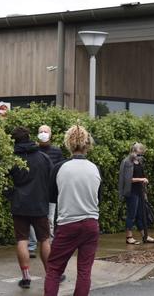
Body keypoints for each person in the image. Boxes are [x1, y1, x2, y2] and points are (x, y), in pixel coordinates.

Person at [44, 125, 101, 296]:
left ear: (68, 143)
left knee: (54, 269)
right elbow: (99, 197)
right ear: (87, 144)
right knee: (84, 271)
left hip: (68, 224)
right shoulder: (95, 168)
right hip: (91, 223)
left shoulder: (59, 168)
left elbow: (52, 197)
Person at [8, 127, 53, 289]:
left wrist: (11, 195)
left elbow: (4, 183)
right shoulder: (43, 157)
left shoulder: (11, 159)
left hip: (19, 205)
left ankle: (26, 277)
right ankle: (51, 275)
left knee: (22, 240)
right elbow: (52, 179)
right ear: (29, 138)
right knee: (45, 239)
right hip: (40, 205)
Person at [28, 125, 65, 258]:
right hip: (35, 191)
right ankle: (32, 246)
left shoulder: (57, 151)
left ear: (51, 134)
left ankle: (50, 244)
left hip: (50, 191)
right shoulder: (33, 150)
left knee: (49, 219)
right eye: (41, 132)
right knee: (31, 218)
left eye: (46, 131)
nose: (43, 133)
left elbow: (61, 169)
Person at [119, 143, 154, 245]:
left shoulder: (139, 162)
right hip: (131, 192)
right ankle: (129, 237)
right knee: (131, 215)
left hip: (140, 191)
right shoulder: (127, 162)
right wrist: (142, 179)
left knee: (141, 215)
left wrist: (144, 192)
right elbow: (128, 179)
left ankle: (145, 236)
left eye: (141, 154)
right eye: (139, 153)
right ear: (134, 151)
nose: (141, 156)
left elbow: (142, 176)